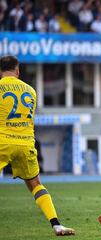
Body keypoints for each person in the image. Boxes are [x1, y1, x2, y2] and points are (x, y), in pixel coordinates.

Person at [0, 55, 75, 236]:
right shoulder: (31, 91)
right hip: (26, 143)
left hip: (3, 141)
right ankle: (56, 224)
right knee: (36, 184)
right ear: (17, 71)